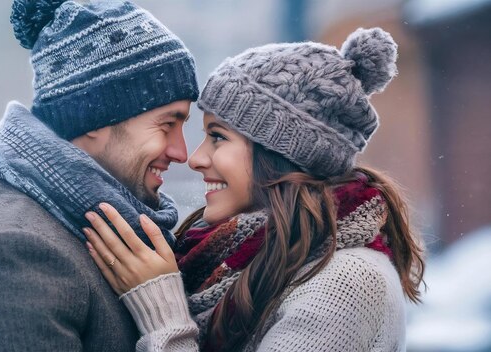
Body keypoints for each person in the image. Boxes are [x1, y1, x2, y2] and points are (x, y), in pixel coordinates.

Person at [83, 27, 426, 351]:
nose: (196, 159)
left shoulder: (349, 282)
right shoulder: (239, 259)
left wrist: (161, 309)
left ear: (281, 153)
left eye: (218, 136)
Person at [0, 0, 199, 351]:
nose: (181, 153)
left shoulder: (74, 225)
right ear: (95, 117)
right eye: (167, 124)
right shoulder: (14, 253)